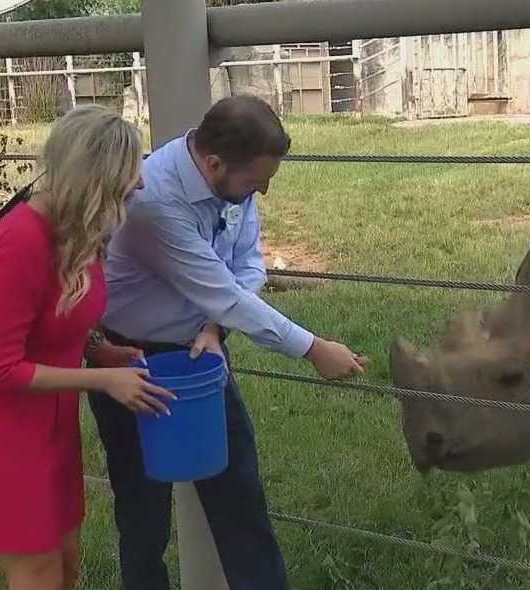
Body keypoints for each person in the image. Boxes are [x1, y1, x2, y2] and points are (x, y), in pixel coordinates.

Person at [86, 94, 368, 590]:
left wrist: (214, 328)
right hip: (130, 360)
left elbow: (247, 269)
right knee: (143, 513)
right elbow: (226, 294)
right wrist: (314, 348)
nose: (262, 191)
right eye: (255, 183)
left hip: (201, 352)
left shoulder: (235, 181)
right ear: (213, 162)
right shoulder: (154, 201)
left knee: (239, 498)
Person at [0, 105, 177, 590]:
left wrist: (97, 349)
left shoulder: (75, 232)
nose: (141, 185)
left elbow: (51, 323)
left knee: (65, 571)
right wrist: (104, 380)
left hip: (54, 431)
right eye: (130, 173)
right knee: (40, 577)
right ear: (95, 176)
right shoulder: (22, 240)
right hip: (10, 439)